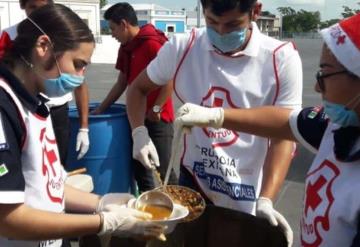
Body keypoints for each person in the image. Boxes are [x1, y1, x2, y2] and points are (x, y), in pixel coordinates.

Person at [175, 13, 360, 247]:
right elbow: (285, 121)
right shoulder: (334, 126)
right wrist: (215, 115)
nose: (316, 86)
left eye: (324, 74)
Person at [126, 0, 302, 244]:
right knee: (191, 240)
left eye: (233, 24)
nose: (220, 32)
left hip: (247, 183)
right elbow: (137, 89)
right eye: (212, 22)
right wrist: (139, 133)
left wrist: (267, 199)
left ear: (256, 11)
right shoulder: (182, 46)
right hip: (196, 177)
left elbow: (285, 130)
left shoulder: (280, 57)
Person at [0, 4, 164, 246]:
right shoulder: (5, 108)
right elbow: (9, 219)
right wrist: (103, 222)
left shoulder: (37, 101)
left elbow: (50, 188)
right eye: (77, 64)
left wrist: (102, 202)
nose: (81, 75)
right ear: (43, 46)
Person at [92, 2, 177, 192]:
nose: (111, 34)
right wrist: (101, 109)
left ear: (124, 24)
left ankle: (182, 215)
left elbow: (169, 78)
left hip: (158, 118)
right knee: (140, 168)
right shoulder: (126, 48)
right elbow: (122, 83)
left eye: (112, 28)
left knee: (164, 169)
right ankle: (150, 208)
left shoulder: (152, 44)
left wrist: (157, 108)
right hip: (137, 118)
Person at [0, 0, 91, 165]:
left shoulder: (40, 106)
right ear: (43, 47)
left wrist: (84, 127)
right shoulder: (8, 111)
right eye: (32, 7)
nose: (36, 13)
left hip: (53, 111)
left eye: (41, 7)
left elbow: (48, 182)